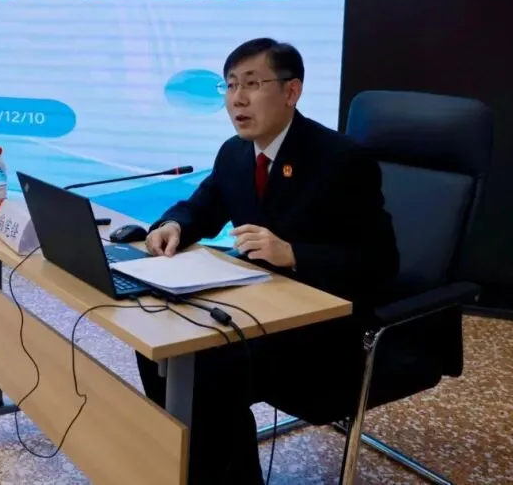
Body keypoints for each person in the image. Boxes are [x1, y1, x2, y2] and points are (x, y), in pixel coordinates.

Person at [138, 38, 398, 485]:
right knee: (158, 347)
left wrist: (295, 254)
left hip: (324, 329)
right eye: (230, 85)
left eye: (252, 84)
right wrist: (174, 225)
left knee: (204, 368)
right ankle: (197, 468)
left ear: (291, 91)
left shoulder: (341, 161)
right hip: (259, 308)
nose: (237, 99)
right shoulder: (235, 152)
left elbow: (379, 263)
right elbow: (203, 206)